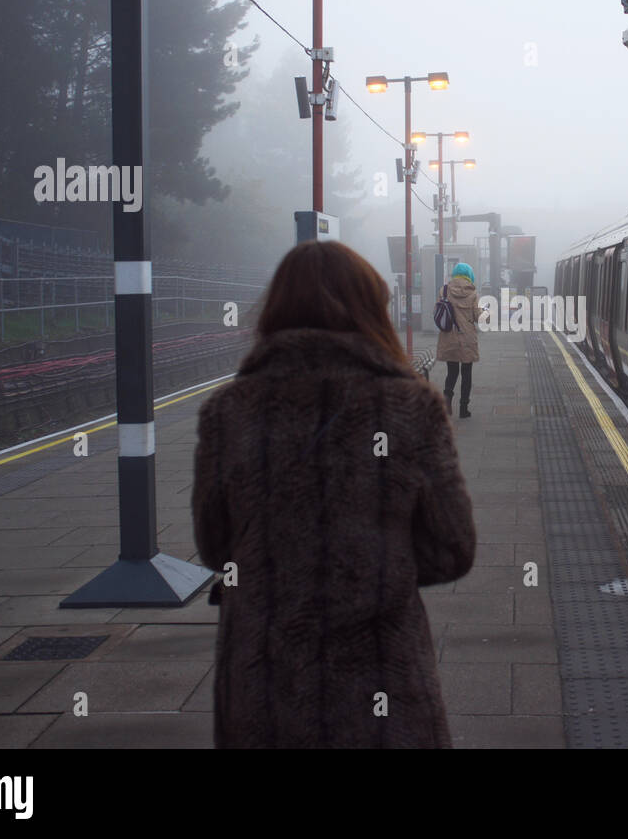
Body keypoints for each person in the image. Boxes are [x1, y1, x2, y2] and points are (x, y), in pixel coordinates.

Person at [191, 241, 476, 748]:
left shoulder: (227, 412)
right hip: (382, 686)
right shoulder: (411, 406)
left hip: (263, 688)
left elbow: (215, 548)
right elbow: (451, 550)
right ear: (372, 309)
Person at [436, 262, 480, 419]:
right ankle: (463, 408)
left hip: (449, 336)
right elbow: (477, 317)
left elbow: (437, 312)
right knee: (466, 373)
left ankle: (447, 399)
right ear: (469, 274)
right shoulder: (473, 293)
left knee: (452, 371)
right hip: (467, 337)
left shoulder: (444, 290)